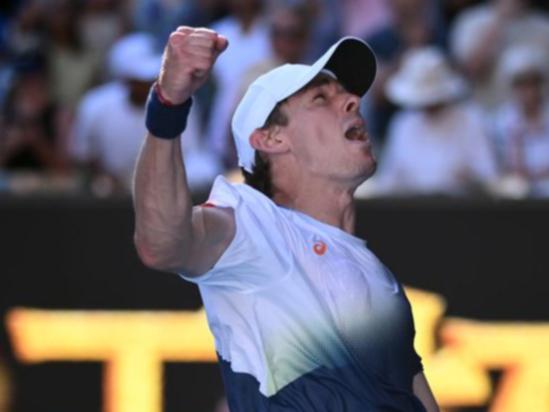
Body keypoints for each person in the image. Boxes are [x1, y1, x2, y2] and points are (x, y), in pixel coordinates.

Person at [133, 26, 439, 411]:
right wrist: (169, 105)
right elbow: (161, 243)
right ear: (272, 140)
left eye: (347, 94)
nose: (352, 101)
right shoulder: (252, 223)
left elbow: (417, 396)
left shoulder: (380, 278)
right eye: (320, 98)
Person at [374, 47, 498, 195]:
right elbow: (389, 180)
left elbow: (489, 176)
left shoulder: (470, 120)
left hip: (460, 210)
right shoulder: (403, 124)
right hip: (412, 210)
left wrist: (468, 180)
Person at [491, 45, 549, 197]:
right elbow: (511, 172)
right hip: (520, 199)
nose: (528, 90)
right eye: (521, 84)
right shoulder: (501, 120)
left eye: (533, 83)